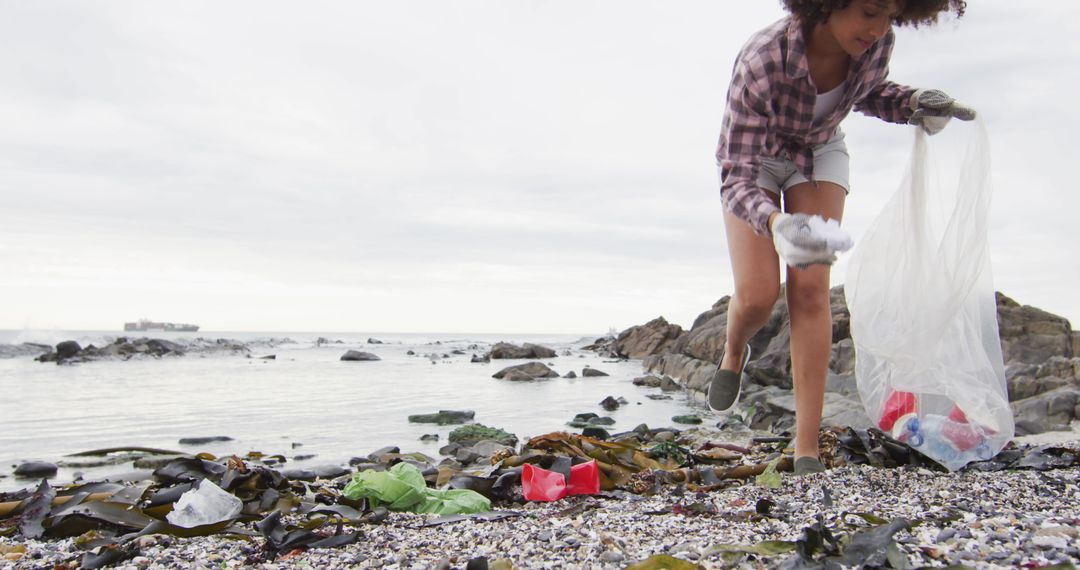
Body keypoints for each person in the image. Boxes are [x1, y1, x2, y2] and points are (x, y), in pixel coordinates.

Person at [710, 0, 974, 475]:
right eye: (869, 11)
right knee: (758, 295)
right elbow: (736, 177)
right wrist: (776, 223)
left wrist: (916, 104)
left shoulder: (876, 45)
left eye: (890, 15)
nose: (878, 29)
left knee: (810, 288)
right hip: (758, 161)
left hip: (820, 151)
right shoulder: (762, 59)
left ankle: (806, 447)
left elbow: (868, 94)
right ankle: (733, 351)